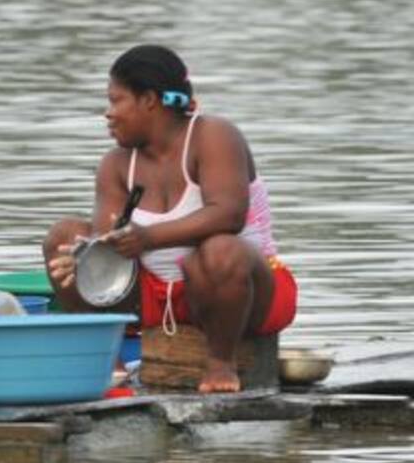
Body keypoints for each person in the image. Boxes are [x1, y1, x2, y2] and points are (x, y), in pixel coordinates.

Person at [43, 45, 298, 393]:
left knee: (220, 249)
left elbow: (229, 214)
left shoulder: (213, 135)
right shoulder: (116, 164)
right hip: (155, 297)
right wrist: (84, 258)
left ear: (149, 100)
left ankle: (221, 363)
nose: (108, 113)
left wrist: (148, 238)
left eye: (116, 101)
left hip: (243, 292)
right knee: (63, 236)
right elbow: (108, 245)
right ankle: (108, 362)